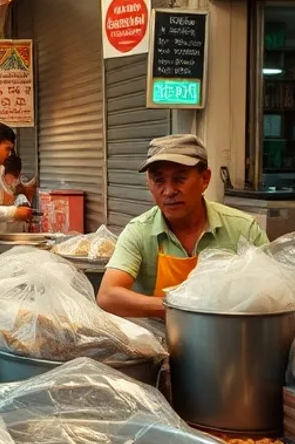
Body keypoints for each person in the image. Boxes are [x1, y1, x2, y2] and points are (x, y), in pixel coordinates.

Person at [97, 134, 268, 320]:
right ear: (149, 183)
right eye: (159, 181)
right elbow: (107, 295)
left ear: (205, 179)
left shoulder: (243, 229)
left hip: (225, 338)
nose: (169, 191)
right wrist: (182, 307)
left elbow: (273, 291)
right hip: (157, 342)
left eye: (179, 179)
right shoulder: (139, 231)